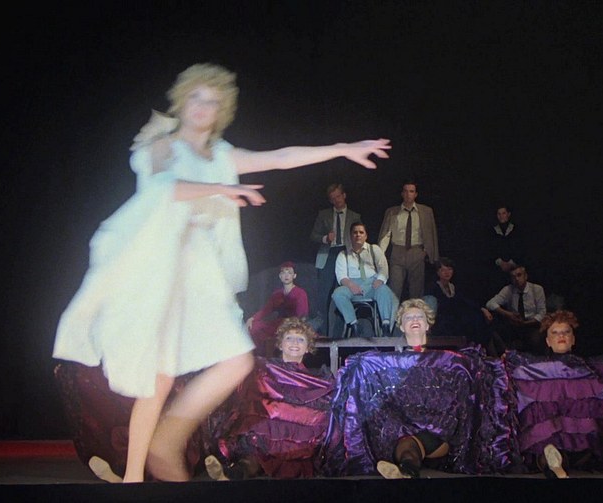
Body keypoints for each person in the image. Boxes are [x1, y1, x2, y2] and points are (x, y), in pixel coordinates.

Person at [52, 62, 390, 482]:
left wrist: (342, 148)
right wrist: (221, 188)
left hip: (199, 271)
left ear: (221, 111)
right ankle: (136, 476)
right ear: (182, 101)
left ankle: (166, 439)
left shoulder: (222, 155)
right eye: (196, 98)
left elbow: (281, 158)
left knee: (235, 360)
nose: (202, 107)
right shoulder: (162, 146)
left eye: (212, 102)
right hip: (159, 268)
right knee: (158, 379)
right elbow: (164, 188)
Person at [321, 299, 519, 478]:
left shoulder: (447, 362)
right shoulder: (390, 363)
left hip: (438, 435)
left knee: (413, 444)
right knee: (408, 446)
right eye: (409, 317)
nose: (414, 320)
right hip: (401, 435)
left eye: (419, 317)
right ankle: (407, 471)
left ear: (427, 324)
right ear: (401, 326)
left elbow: (470, 383)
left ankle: (407, 469)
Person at [504, 310, 603, 479]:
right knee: (548, 442)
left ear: (573, 339)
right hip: (555, 431)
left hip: (577, 437)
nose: (561, 336)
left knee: (582, 447)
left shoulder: (587, 369)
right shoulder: (535, 368)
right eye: (555, 333)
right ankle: (552, 460)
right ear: (548, 341)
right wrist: (507, 361)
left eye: (566, 332)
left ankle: (556, 460)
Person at [205, 318, 335, 480]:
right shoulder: (266, 369)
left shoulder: (316, 380)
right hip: (268, 428)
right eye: (289, 338)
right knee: (256, 443)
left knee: (296, 458)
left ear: (308, 347)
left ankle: (235, 473)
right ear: (280, 344)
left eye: (300, 339)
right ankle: (232, 474)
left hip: (297, 440)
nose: (295, 343)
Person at [331, 222, 398, 337]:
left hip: (371, 284)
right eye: (355, 233)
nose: (358, 235)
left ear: (366, 236)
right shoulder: (343, 254)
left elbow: (383, 268)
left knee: (384, 290)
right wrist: (351, 285)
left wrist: (380, 280)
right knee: (337, 294)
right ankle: (354, 325)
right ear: (350, 236)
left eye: (361, 232)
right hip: (352, 285)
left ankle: (386, 326)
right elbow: (341, 276)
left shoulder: (374, 249)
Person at [378, 180, 439, 301]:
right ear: (402, 193)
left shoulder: (426, 211)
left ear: (415, 194)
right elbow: (386, 234)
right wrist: (379, 254)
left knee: (416, 290)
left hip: (417, 251)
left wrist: (430, 253)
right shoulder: (392, 211)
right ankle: (393, 312)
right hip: (398, 251)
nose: (408, 194)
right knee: (394, 288)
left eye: (411, 191)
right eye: (405, 191)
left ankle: (414, 312)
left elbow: (431, 233)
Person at [310, 184, 360, 327]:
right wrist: (325, 238)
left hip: (346, 253)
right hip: (329, 254)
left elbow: (360, 237)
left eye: (338, 196)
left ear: (344, 195)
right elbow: (313, 235)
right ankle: (322, 329)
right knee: (324, 293)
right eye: (333, 198)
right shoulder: (323, 214)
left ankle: (343, 328)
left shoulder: (355, 216)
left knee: (343, 293)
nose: (336, 200)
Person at [426, 257, 493, 351]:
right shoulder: (433, 287)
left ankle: (481, 350)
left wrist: (483, 309)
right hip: (442, 321)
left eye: (449, 269)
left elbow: (465, 301)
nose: (447, 272)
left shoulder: (454, 286)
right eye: (443, 270)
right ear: (438, 272)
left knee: (477, 317)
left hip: (456, 319)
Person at [245, 261, 309, 355]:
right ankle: (258, 356)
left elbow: (302, 314)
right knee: (254, 327)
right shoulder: (277, 294)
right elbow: (266, 310)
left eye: (289, 273)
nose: (286, 275)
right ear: (280, 276)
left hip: (294, 324)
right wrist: (252, 318)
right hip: (279, 323)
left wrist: (295, 326)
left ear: (294, 276)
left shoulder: (300, 293)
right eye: (283, 273)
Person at [484, 265, 546, 352]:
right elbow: (490, 303)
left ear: (525, 276)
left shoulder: (536, 289)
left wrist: (526, 323)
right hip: (514, 324)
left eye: (519, 275)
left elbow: (542, 312)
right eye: (513, 277)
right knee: (494, 330)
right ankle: (505, 355)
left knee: (535, 339)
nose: (516, 279)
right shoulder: (508, 289)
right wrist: (508, 314)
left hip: (532, 324)